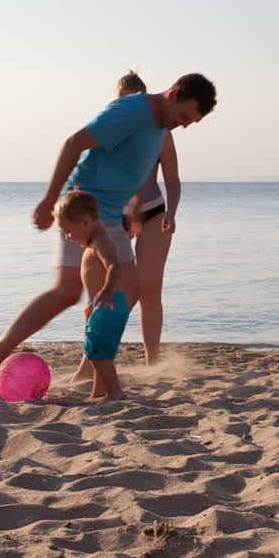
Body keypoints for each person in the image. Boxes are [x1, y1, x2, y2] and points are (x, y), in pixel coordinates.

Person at [0, 72, 217, 398]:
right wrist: (49, 200)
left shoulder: (159, 126)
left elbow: (131, 170)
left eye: (190, 123)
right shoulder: (131, 111)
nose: (182, 125)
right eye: (184, 116)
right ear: (172, 96)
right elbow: (74, 143)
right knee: (68, 291)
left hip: (112, 216)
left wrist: (134, 214)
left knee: (125, 291)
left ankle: (101, 383)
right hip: (83, 209)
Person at [119, 79, 182, 366]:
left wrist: (172, 213)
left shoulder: (161, 133)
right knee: (109, 290)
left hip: (154, 212)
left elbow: (173, 180)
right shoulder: (109, 130)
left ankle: (152, 363)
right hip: (116, 216)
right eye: (124, 100)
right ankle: (95, 357)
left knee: (150, 289)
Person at [53, 189, 130, 399]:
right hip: (104, 305)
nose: (68, 237)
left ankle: (115, 393)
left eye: (68, 231)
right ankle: (99, 393)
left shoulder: (102, 242)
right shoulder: (98, 239)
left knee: (97, 353)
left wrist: (107, 290)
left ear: (84, 222)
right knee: (100, 351)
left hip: (108, 303)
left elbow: (114, 266)